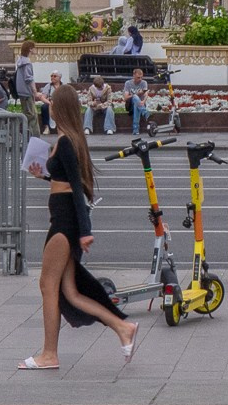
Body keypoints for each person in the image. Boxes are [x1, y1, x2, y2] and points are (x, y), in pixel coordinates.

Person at [19, 84, 138, 370]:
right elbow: (64, 182)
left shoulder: (68, 141)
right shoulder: (67, 139)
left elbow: (77, 188)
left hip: (64, 224)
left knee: (48, 286)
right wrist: (43, 176)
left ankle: (49, 354)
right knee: (69, 292)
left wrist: (85, 231)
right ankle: (122, 327)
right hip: (63, 221)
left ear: (59, 109)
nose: (47, 106)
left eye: (51, 104)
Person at [14, 43, 38, 132]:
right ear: (30, 49)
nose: (36, 50)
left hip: (21, 90)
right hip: (27, 92)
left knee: (27, 113)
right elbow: (29, 78)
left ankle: (25, 133)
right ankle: (35, 137)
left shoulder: (20, 61)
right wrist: (34, 91)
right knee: (32, 115)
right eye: (34, 48)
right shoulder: (27, 62)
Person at [124, 67, 150, 134]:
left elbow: (146, 94)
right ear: (134, 75)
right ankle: (144, 112)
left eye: (141, 77)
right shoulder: (128, 83)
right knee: (135, 97)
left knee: (137, 106)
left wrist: (143, 101)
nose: (140, 79)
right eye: (138, 77)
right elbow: (126, 98)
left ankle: (135, 129)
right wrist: (137, 94)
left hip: (141, 104)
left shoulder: (144, 83)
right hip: (130, 105)